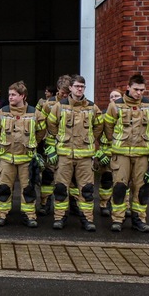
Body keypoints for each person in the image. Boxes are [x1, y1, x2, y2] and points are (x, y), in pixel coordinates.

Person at [103, 74, 149, 232]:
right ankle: (117, 219)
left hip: (142, 154)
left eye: (142, 90)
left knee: (141, 188)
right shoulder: (115, 105)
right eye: (136, 89)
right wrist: (112, 145)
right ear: (128, 88)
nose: (139, 93)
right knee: (120, 187)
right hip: (121, 154)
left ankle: (139, 220)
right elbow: (108, 128)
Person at [44, 75, 104, 231]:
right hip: (64, 156)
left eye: (82, 87)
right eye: (77, 86)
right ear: (70, 88)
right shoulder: (60, 106)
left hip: (84, 156)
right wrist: (60, 138)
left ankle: (87, 219)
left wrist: (90, 139)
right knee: (61, 188)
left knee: (86, 190)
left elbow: (99, 126)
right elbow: (51, 124)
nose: (79, 89)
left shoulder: (92, 107)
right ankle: (60, 218)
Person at [0, 81, 46, 227]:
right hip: (6, 159)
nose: (10, 97)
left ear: (23, 96)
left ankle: (29, 215)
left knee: (28, 189)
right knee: (4, 188)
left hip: (27, 159)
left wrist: (32, 143)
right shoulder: (2, 112)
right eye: (9, 95)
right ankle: (1, 215)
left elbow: (41, 131)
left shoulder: (35, 113)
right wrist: (4, 143)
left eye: (13, 95)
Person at [37, 75, 72, 216]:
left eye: (68, 93)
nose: (65, 95)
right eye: (63, 92)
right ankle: (45, 203)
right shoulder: (48, 104)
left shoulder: (72, 104)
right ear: (58, 90)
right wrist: (46, 146)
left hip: (67, 146)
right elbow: (41, 125)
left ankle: (73, 205)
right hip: (50, 146)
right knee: (47, 177)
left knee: (70, 179)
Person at [96, 90, 123, 217]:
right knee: (106, 181)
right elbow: (94, 134)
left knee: (122, 182)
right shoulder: (102, 115)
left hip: (122, 154)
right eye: (111, 96)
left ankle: (124, 206)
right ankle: (104, 204)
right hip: (106, 154)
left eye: (117, 96)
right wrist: (98, 152)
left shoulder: (126, 114)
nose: (114, 98)